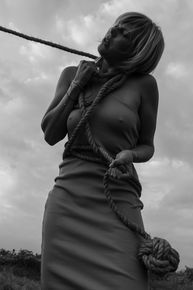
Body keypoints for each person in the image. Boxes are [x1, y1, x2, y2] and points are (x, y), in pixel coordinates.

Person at [40, 11, 164, 290]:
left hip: (117, 197)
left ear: (138, 50)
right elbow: (50, 134)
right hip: (69, 198)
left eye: (125, 34)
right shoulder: (73, 74)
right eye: (116, 27)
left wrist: (130, 155)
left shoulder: (145, 85)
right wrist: (77, 85)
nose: (112, 32)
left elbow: (147, 146)